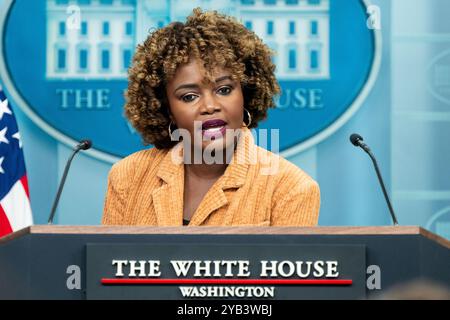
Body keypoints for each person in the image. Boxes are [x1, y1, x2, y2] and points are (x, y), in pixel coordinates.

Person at [102, 8, 320, 226]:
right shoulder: (127, 177)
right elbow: (106, 260)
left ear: (246, 93)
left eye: (224, 90)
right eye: (189, 96)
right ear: (167, 109)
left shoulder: (290, 188)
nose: (209, 106)